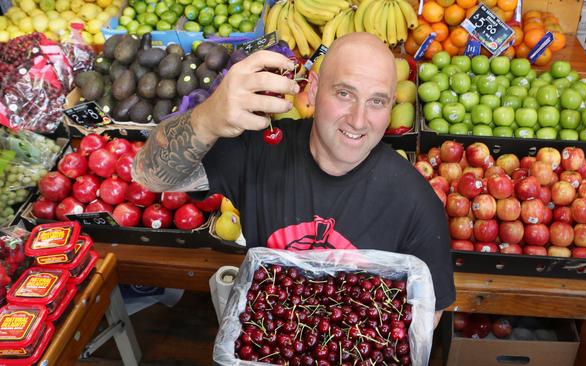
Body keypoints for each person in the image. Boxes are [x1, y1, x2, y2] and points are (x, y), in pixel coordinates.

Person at [133, 32, 455, 324]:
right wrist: (207, 118)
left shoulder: (414, 201)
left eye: (376, 101)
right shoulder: (259, 150)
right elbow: (151, 175)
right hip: (273, 341)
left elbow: (429, 312)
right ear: (313, 90)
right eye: (344, 93)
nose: (358, 120)